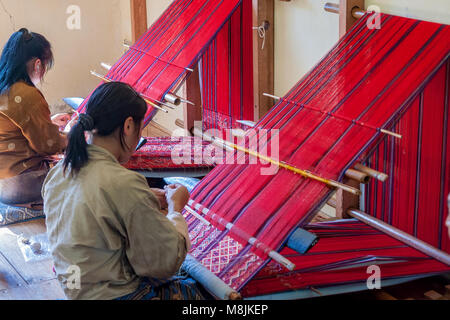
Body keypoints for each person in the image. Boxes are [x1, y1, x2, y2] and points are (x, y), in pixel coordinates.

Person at [43, 82, 206, 300]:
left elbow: (98, 209)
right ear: (128, 126)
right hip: (113, 296)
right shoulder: (125, 184)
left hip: (75, 288)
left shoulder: (58, 173)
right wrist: (176, 209)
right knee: (198, 293)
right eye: (140, 129)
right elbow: (163, 262)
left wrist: (144, 201)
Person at [0, 28, 69, 208]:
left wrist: (49, 122)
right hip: (18, 185)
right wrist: (72, 134)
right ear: (38, 64)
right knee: (84, 173)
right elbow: (48, 145)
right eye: (46, 65)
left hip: (3, 181)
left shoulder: (4, 87)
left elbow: (14, 127)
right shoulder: (26, 95)